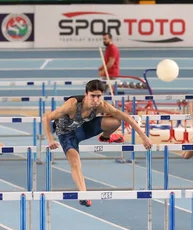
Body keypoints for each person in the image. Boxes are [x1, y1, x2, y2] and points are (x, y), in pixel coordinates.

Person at [43, 79, 152, 208]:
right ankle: (83, 194)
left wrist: (144, 137)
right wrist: (50, 139)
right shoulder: (72, 105)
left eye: (98, 96)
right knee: (75, 162)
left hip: (84, 128)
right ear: (86, 95)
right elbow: (46, 117)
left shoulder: (101, 105)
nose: (95, 99)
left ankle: (105, 137)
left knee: (116, 121)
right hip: (66, 134)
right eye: (92, 96)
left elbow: (126, 117)